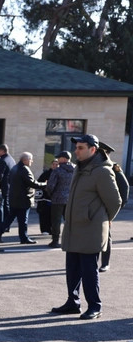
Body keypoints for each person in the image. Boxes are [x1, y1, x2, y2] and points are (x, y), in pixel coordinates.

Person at [51, 134, 121, 320]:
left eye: (81, 147)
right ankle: (72, 302)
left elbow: (115, 202)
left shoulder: (102, 171)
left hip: (91, 229)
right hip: (74, 227)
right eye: (76, 147)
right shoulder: (79, 169)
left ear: (93, 150)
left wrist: (102, 219)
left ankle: (95, 306)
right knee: (72, 268)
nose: (76, 151)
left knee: (89, 271)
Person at [6, 152, 46, 244]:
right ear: (25, 160)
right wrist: (45, 184)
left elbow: (9, 180)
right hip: (23, 199)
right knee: (23, 220)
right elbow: (33, 183)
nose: (32, 161)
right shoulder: (25, 169)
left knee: (10, 218)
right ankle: (24, 238)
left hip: (14, 198)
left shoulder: (15, 168)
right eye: (31, 159)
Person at [99, 162, 129, 272]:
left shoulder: (113, 168)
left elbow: (124, 189)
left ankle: (105, 263)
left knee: (106, 236)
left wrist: (113, 211)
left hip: (106, 210)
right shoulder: (91, 166)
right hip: (93, 209)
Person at [47, 151, 75, 248]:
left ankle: (55, 241)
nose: (58, 160)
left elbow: (51, 185)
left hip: (58, 198)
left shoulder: (57, 171)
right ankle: (70, 240)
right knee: (69, 220)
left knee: (56, 220)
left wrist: (50, 194)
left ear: (63, 159)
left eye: (59, 158)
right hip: (71, 199)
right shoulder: (76, 170)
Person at [0, 143, 16, 240]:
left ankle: (1, 226)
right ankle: (6, 226)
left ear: (2, 151)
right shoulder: (11, 160)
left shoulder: (2, 161)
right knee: (6, 206)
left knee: (1, 207)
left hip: (3, 187)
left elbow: (0, 175)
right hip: (10, 186)